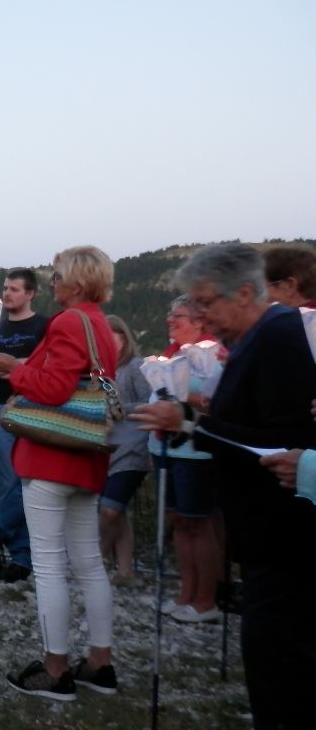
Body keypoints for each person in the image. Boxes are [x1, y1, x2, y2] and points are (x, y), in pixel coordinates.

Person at [132, 242, 316, 730]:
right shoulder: (258, 336)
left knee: (281, 668)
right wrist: (191, 418)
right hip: (265, 536)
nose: (201, 315)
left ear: (244, 293)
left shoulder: (276, 337)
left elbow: (281, 445)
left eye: (207, 302)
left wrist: (189, 423)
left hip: (283, 537)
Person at [0, 245, 118, 702]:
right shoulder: (100, 324)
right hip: (87, 454)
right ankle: (100, 663)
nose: (53, 283)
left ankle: (55, 668)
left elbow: (55, 388)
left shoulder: (66, 323)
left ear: (77, 283)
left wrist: (13, 368)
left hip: (51, 456)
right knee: (88, 561)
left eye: (58, 277)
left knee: (48, 566)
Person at [150, 297, 223, 623]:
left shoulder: (214, 357)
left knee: (199, 522)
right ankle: (186, 592)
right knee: (179, 522)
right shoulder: (172, 355)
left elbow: (218, 402)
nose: (169, 320)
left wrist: (180, 396)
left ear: (199, 322)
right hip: (166, 449)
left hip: (196, 452)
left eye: (177, 315)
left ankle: (206, 599)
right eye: (170, 313)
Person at [0, 268, 48, 583]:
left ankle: (19, 551)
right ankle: (18, 556)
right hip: (1, 405)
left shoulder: (44, 326)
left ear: (30, 293)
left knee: (30, 481)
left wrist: (14, 366)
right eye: (5, 288)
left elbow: (48, 364)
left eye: (15, 289)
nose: (7, 294)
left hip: (34, 405)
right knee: (8, 481)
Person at [98, 315, 152, 588]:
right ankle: (125, 571)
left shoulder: (135, 366)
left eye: (111, 335)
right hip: (109, 449)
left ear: (123, 336)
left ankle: (95, 562)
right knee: (118, 511)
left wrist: (119, 411)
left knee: (110, 510)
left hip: (134, 449)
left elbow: (149, 402)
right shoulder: (103, 372)